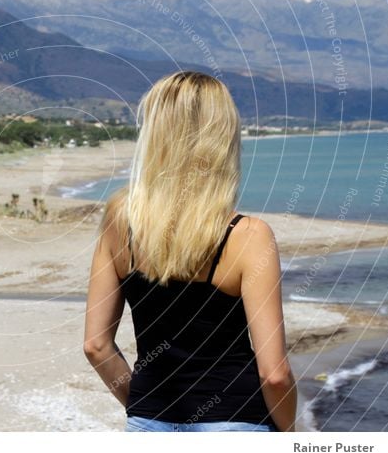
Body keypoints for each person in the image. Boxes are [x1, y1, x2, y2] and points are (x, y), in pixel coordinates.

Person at [83, 71, 297, 433]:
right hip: (237, 425)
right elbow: (274, 374)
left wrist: (143, 405)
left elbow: (96, 346)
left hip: (148, 422)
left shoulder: (121, 220)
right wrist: (290, 433)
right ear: (222, 138)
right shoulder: (247, 235)